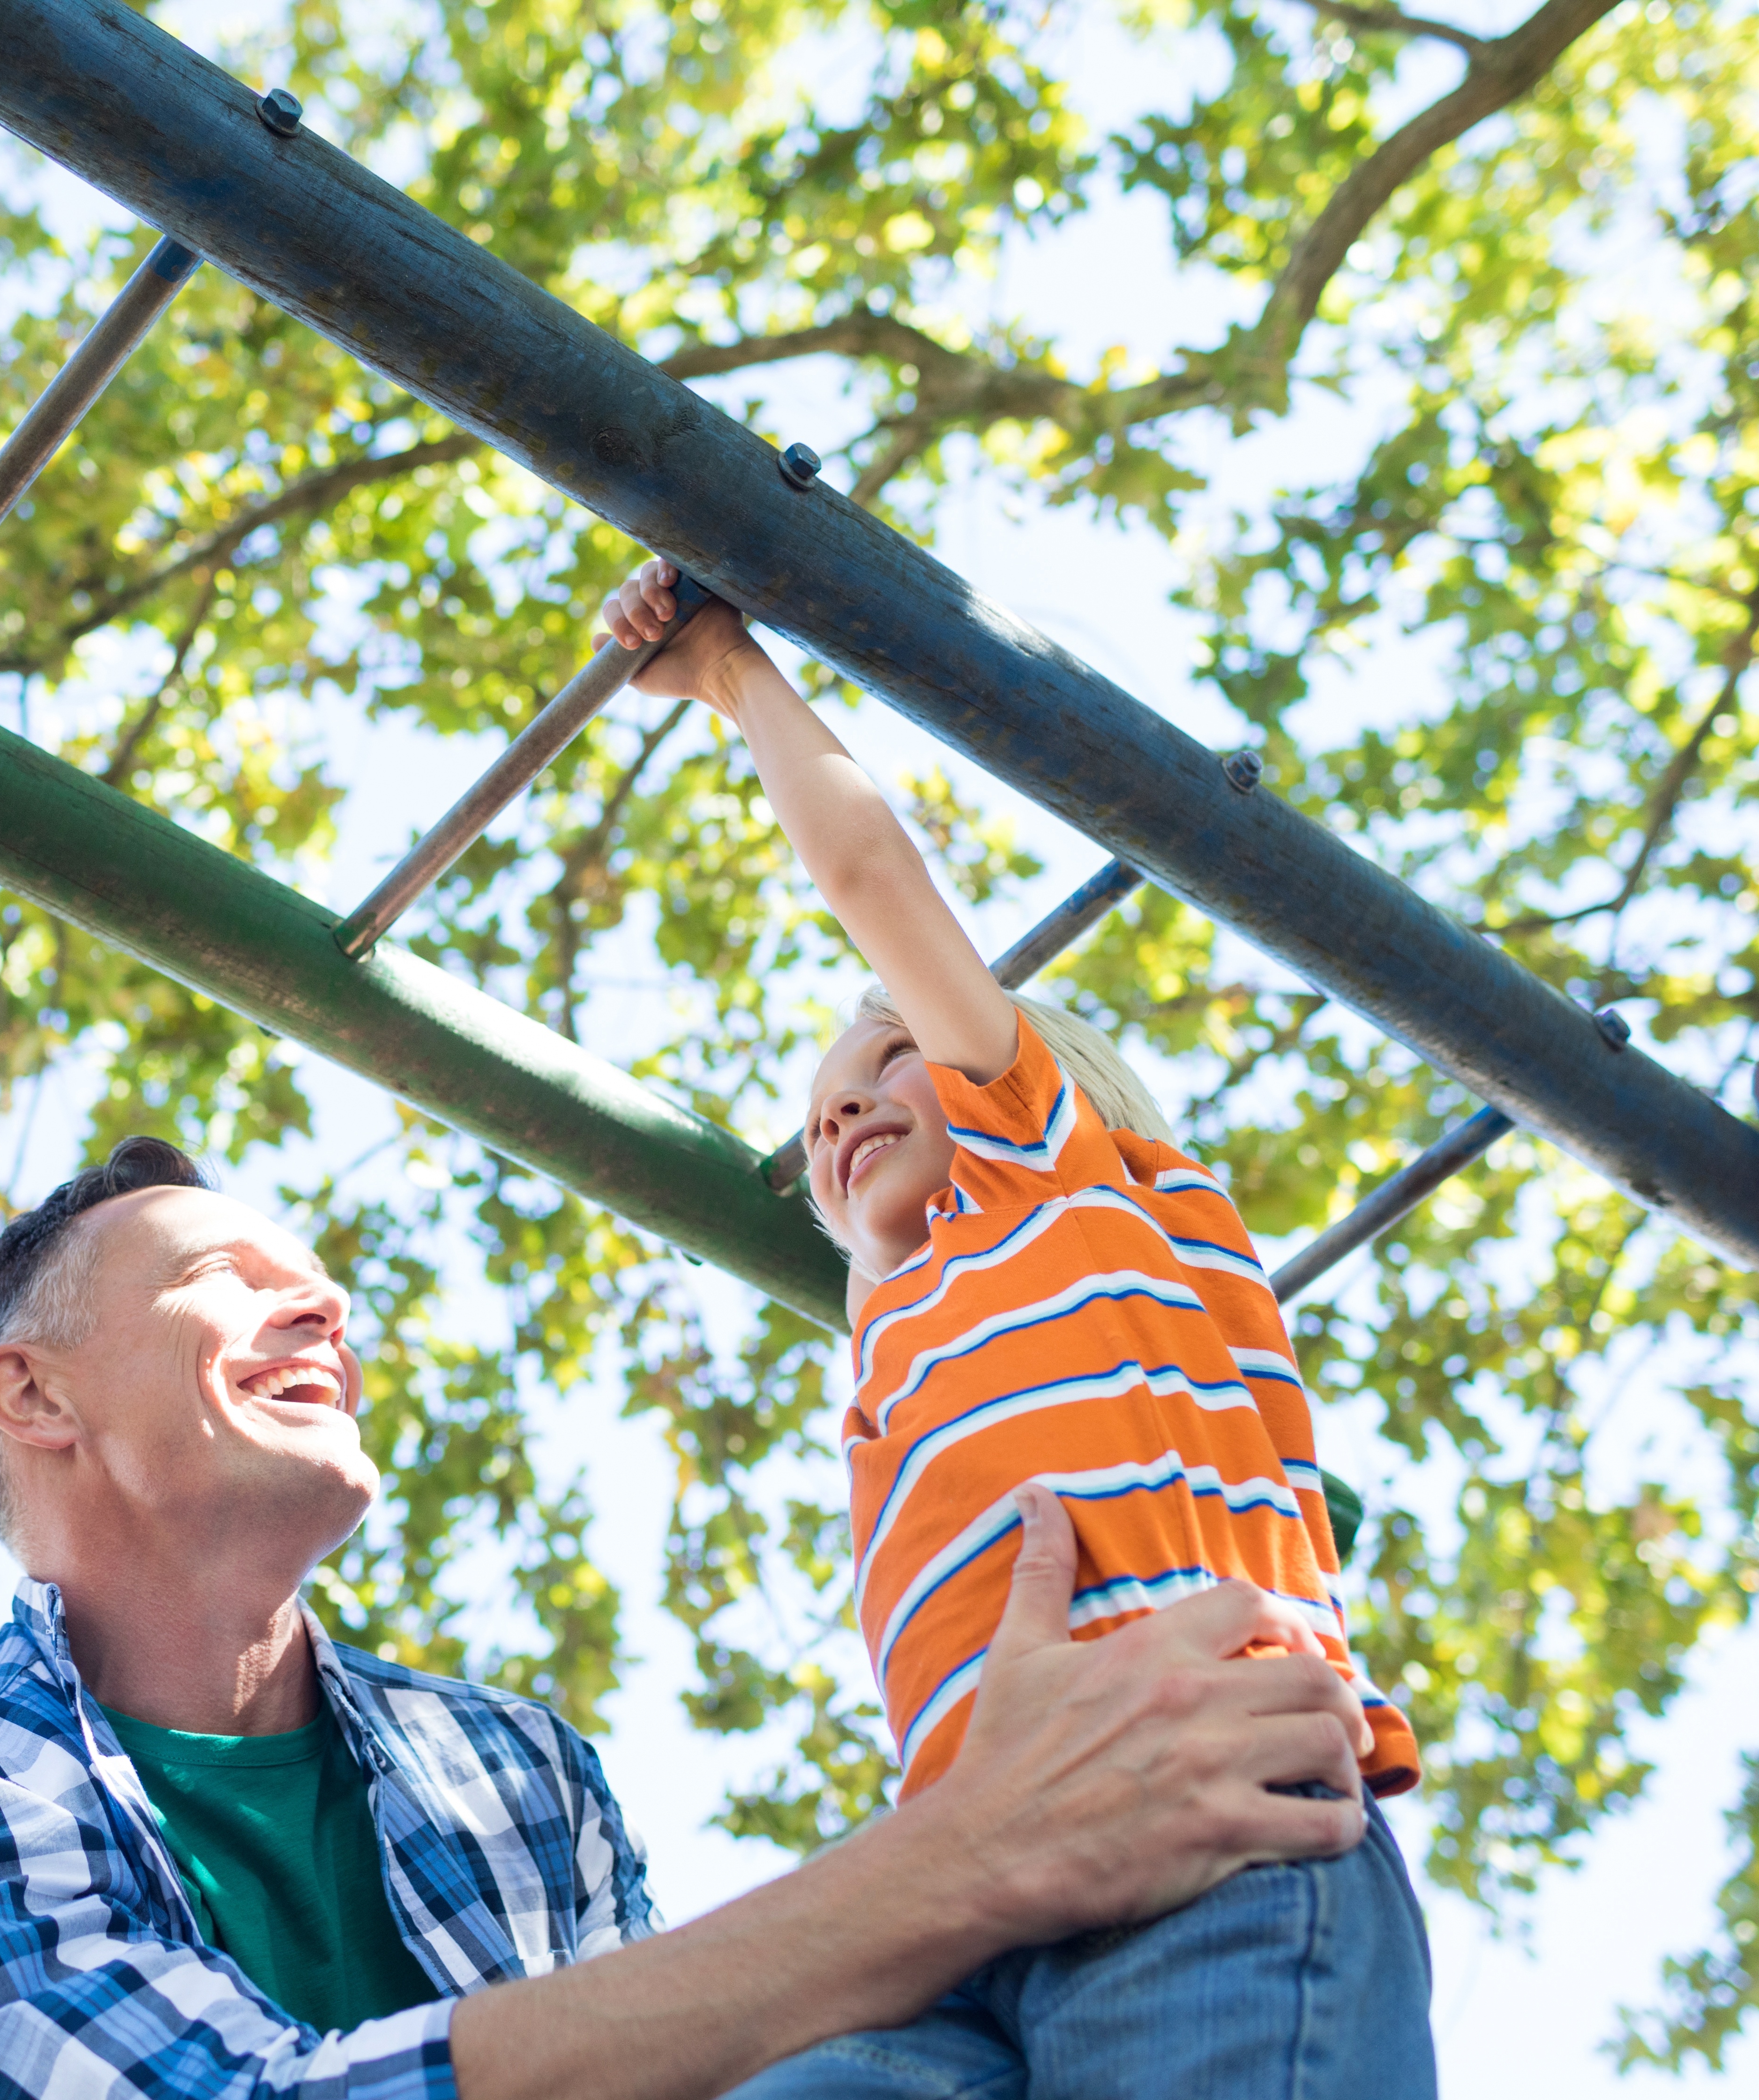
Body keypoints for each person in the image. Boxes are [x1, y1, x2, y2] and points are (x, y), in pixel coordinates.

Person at [0, 1135, 1381, 2100]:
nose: (325, 1304)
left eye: (320, 1279)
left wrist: (1063, 1828)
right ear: (34, 1394)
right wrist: (968, 1855)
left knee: (1203, 1811)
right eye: (227, 1274)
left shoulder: (508, 1765)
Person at [595, 558, 1437, 2097]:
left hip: (1211, 1818)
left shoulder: (1051, 1172)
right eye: (817, 1106)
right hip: (975, 1890)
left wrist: (730, 671)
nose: (841, 1101)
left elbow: (870, 878)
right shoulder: (895, 1345)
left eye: (891, 1050)